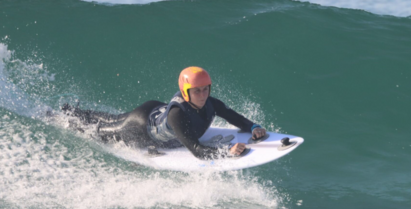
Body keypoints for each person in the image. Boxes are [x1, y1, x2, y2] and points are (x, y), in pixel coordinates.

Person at [62, 66, 267, 159]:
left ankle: (75, 111)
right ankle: (66, 118)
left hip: (153, 108)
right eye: (197, 91)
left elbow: (235, 118)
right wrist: (227, 152)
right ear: (186, 92)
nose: (203, 95)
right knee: (101, 130)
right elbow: (197, 151)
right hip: (139, 126)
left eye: (206, 89)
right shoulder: (177, 116)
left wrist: (253, 127)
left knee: (113, 118)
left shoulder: (211, 103)